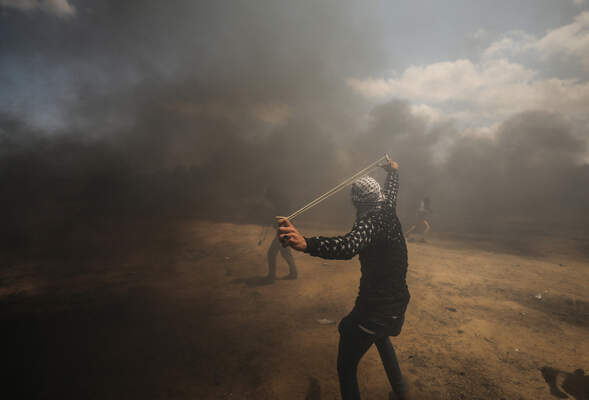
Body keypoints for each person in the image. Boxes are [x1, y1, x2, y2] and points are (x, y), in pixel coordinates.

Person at [277, 159, 410, 400]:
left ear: (357, 203)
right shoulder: (387, 206)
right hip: (397, 305)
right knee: (380, 336)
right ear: (378, 195)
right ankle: (401, 392)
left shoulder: (370, 222)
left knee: (346, 363)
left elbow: (348, 246)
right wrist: (393, 170)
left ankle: (399, 391)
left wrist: (306, 243)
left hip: (376, 311)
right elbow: (392, 188)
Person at [260, 186, 297, 282]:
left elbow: (281, 220)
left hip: (284, 232)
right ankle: (294, 273)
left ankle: (272, 277)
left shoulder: (279, 205)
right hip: (285, 231)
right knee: (285, 253)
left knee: (271, 253)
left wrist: (274, 221)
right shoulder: (280, 204)